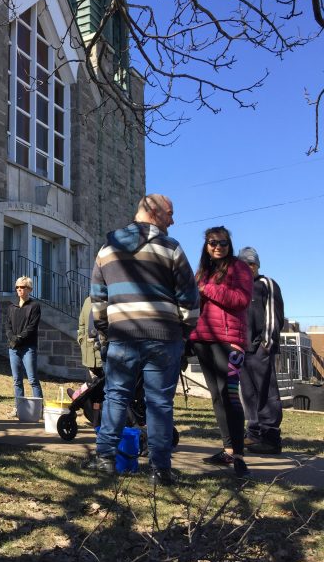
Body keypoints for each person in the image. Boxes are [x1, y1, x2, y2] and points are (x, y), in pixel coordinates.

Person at [85, 194, 199, 486]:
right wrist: (183, 332)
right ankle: (160, 469)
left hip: (122, 336)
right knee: (159, 403)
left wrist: (105, 331)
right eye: (170, 214)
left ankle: (105, 458)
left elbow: (98, 299)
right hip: (164, 338)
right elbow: (189, 299)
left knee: (116, 396)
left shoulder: (107, 249)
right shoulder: (171, 248)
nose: (173, 220)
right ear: (153, 212)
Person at [190, 226, 254, 478]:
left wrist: (207, 289)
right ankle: (227, 449)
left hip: (229, 342)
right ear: (206, 246)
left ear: (230, 245)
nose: (217, 247)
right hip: (203, 340)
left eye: (223, 243)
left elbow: (241, 300)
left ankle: (238, 455)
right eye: (212, 243)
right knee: (216, 397)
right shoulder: (202, 272)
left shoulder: (238, 268)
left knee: (230, 396)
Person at [237, 246, 285, 455]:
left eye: (252, 263)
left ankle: (271, 437)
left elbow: (274, 314)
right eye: (244, 264)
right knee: (248, 393)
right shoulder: (237, 287)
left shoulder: (267, 284)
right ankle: (254, 433)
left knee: (266, 391)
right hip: (242, 348)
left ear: (257, 265)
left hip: (261, 349)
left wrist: (267, 342)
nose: (249, 267)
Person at [5, 275, 42, 417]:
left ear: (30, 289)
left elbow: (32, 327)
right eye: (18, 287)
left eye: (23, 287)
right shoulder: (11, 307)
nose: (19, 290)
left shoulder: (34, 306)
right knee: (17, 380)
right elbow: (7, 325)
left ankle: (39, 409)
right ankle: (19, 409)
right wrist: (12, 338)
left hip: (28, 347)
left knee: (32, 379)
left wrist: (19, 338)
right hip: (13, 348)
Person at [77, 295, 104, 427]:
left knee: (104, 389)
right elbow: (82, 323)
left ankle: (103, 420)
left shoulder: (109, 299)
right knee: (91, 388)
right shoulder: (87, 301)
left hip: (103, 355)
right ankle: (93, 417)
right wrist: (81, 339)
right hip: (89, 354)